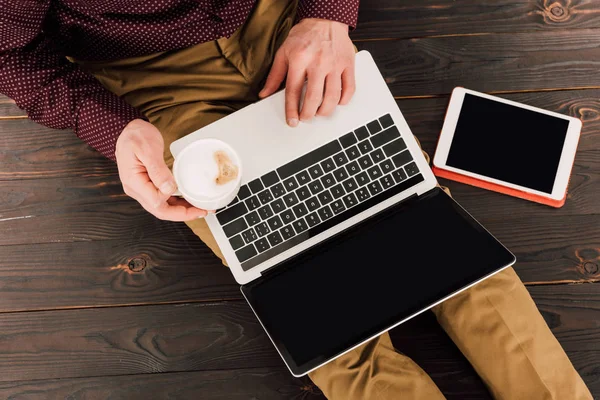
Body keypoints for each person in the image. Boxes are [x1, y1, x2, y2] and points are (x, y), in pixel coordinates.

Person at [0, 1, 592, 398]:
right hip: (151, 81)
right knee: (329, 327)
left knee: (454, 261)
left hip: (284, 24)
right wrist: (112, 128)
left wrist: (327, 15)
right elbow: (11, 51)